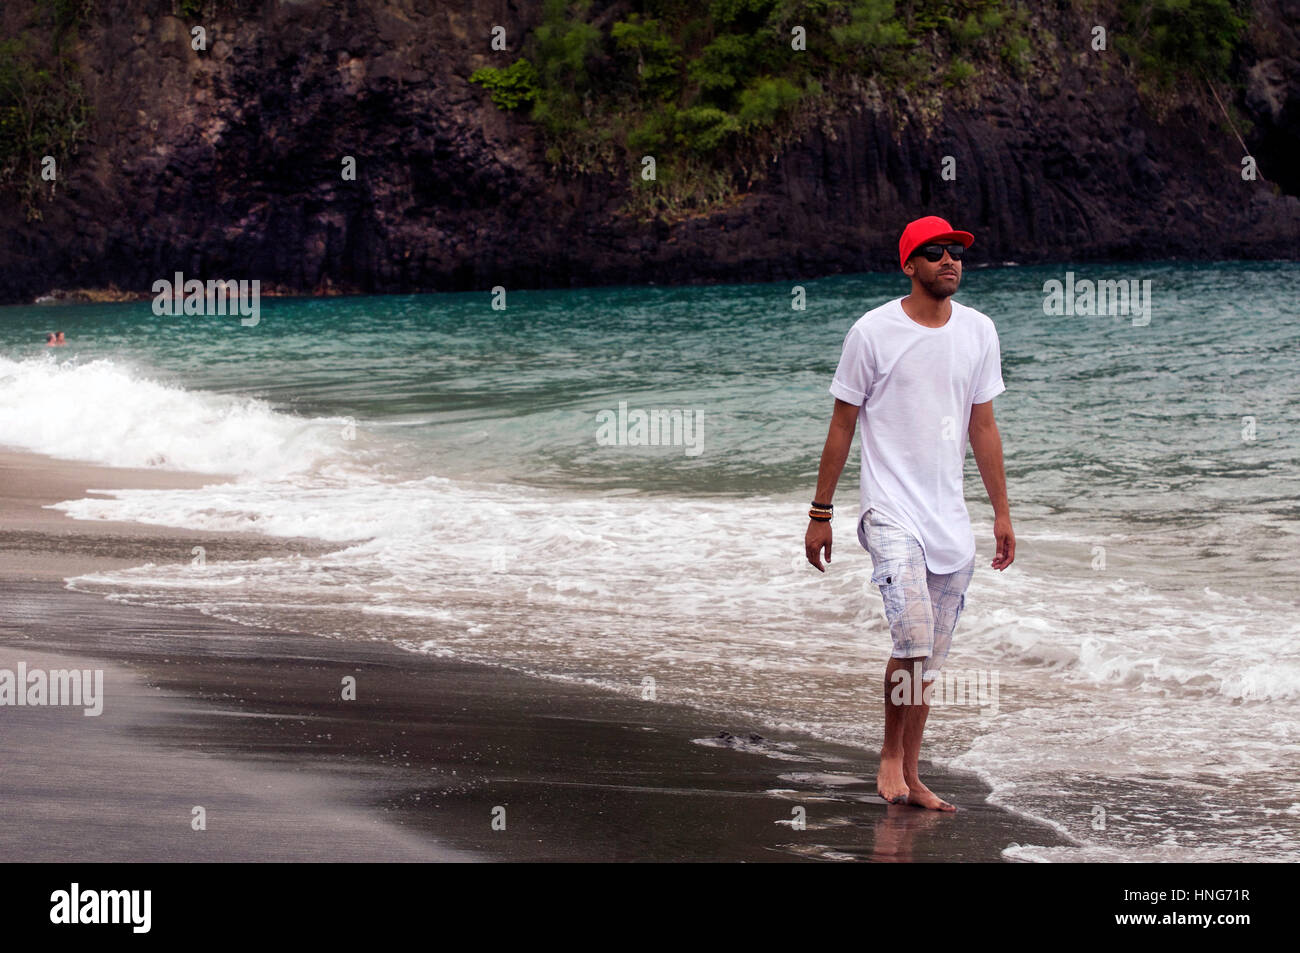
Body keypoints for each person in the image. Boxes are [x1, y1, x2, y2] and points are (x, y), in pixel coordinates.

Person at [805, 215, 1014, 812]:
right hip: (889, 510)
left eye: (955, 251)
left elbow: (984, 425)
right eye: (935, 252)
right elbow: (842, 424)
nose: (950, 260)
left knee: (929, 659)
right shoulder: (872, 332)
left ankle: (915, 772)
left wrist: (1001, 514)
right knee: (913, 636)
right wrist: (821, 512)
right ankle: (889, 758)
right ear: (909, 265)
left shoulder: (979, 331)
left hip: (949, 519)